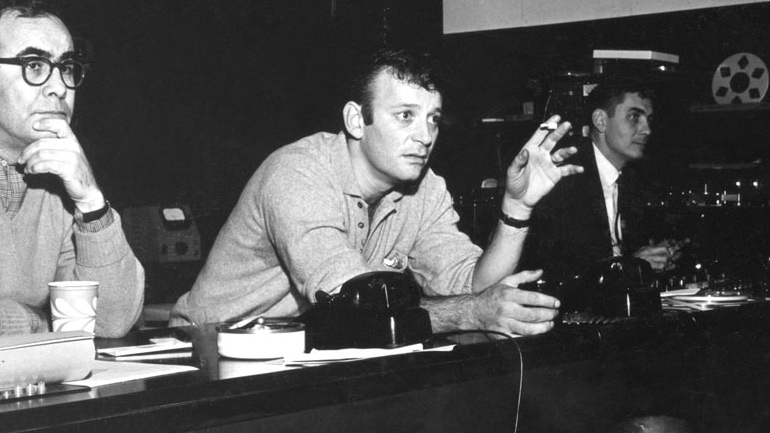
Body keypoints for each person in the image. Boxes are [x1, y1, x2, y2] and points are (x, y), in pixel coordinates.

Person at [170, 49, 583, 336]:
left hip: (301, 347)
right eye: (405, 116)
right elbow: (354, 305)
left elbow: (472, 286)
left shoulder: (425, 188)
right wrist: (471, 313)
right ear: (356, 120)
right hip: (202, 352)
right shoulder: (297, 173)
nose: (425, 136)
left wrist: (516, 207)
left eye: (433, 119)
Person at [0, 0, 144, 336]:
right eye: (34, 65)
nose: (60, 87)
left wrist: (90, 202)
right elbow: (67, 325)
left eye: (66, 67)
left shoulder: (56, 183)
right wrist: (41, 322)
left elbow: (110, 322)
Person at [520, 80, 686, 282]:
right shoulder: (562, 179)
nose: (647, 130)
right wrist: (630, 266)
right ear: (600, 120)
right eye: (634, 117)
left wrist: (658, 255)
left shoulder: (635, 181)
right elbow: (553, 273)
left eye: (649, 119)